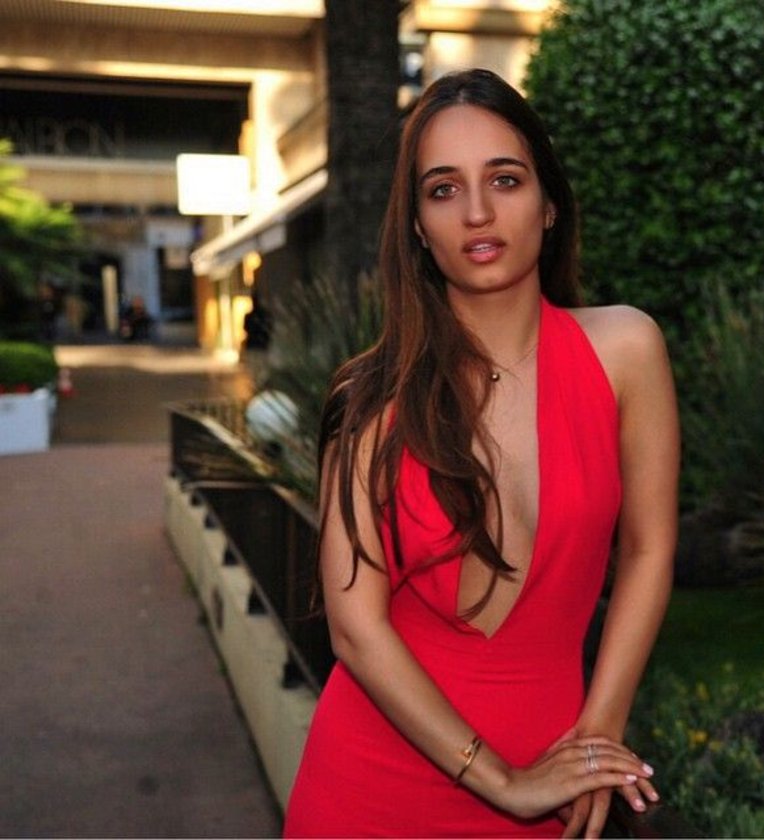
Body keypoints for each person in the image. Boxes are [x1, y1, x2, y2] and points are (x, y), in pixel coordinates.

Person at [284, 68, 679, 837]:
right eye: (443, 189)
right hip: (369, 789)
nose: (476, 212)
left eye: (505, 179)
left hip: (552, 773)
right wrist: (501, 780)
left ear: (549, 203)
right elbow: (355, 629)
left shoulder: (627, 350)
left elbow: (648, 548)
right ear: (417, 227)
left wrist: (599, 732)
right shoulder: (368, 398)